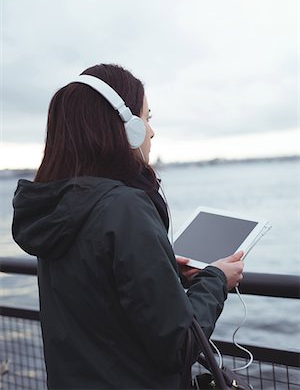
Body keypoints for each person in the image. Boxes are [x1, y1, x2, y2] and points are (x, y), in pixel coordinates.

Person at [12, 64, 244, 390]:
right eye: (147, 118)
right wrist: (217, 279)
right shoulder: (125, 209)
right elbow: (178, 346)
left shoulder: (59, 210)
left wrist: (166, 273)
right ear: (128, 126)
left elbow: (97, 296)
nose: (151, 131)